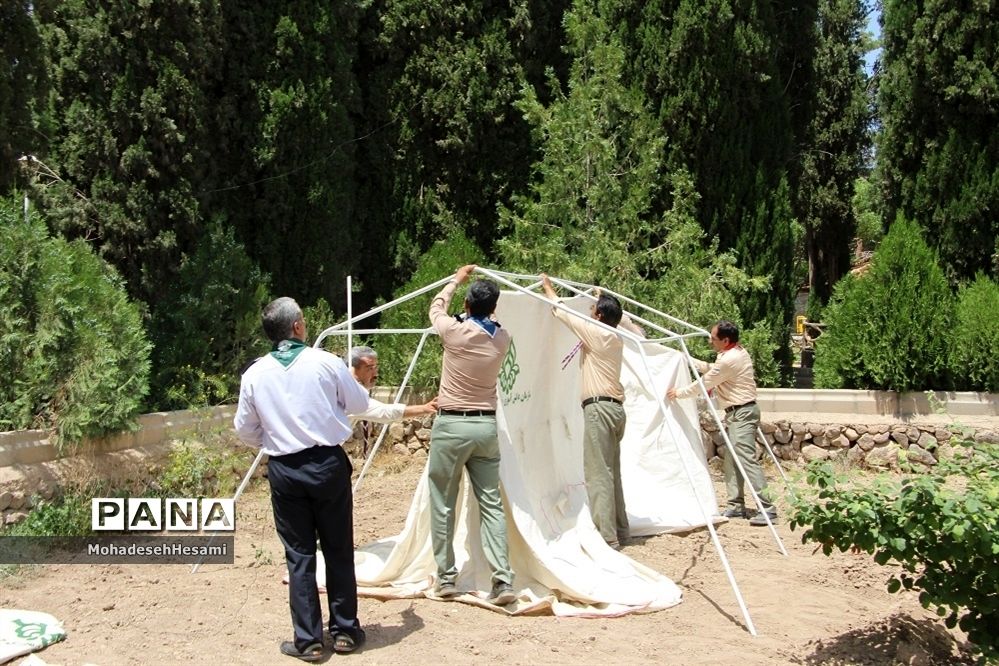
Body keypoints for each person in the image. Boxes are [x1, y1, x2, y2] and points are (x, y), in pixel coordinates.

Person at [233, 297, 370, 662]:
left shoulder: (254, 374)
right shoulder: (326, 363)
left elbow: (244, 430)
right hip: (326, 464)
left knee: (299, 554)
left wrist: (277, 440)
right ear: (297, 327)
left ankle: (308, 640)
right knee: (338, 547)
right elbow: (359, 403)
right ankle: (343, 631)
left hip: (284, 470)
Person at [427, 264, 516, 605]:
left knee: (443, 502)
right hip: (485, 425)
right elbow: (486, 324)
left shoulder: (454, 331)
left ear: (466, 304)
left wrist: (454, 281)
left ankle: (446, 578)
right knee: (491, 504)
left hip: (451, 424)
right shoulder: (502, 338)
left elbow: (436, 309)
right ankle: (503, 580)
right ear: (494, 307)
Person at [540, 274, 629, 550]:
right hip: (615, 410)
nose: (590, 312)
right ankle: (620, 527)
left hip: (600, 409)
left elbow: (564, 313)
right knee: (611, 469)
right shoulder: (615, 336)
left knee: (597, 472)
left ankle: (607, 535)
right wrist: (599, 294)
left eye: (593, 309)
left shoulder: (597, 332)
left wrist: (547, 288)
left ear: (599, 315)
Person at [666, 320, 775, 526]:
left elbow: (706, 381)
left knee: (746, 459)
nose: (710, 341)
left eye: (713, 338)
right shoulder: (730, 355)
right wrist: (689, 360)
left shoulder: (730, 359)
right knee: (733, 460)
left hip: (742, 412)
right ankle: (736, 505)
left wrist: (679, 393)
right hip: (738, 412)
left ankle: (767, 507)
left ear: (726, 340)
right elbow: (713, 370)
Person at [347, 346, 438, 424]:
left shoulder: (352, 388)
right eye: (370, 368)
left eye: (376, 367)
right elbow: (385, 412)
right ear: (353, 369)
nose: (375, 374)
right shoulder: (349, 393)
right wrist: (425, 409)